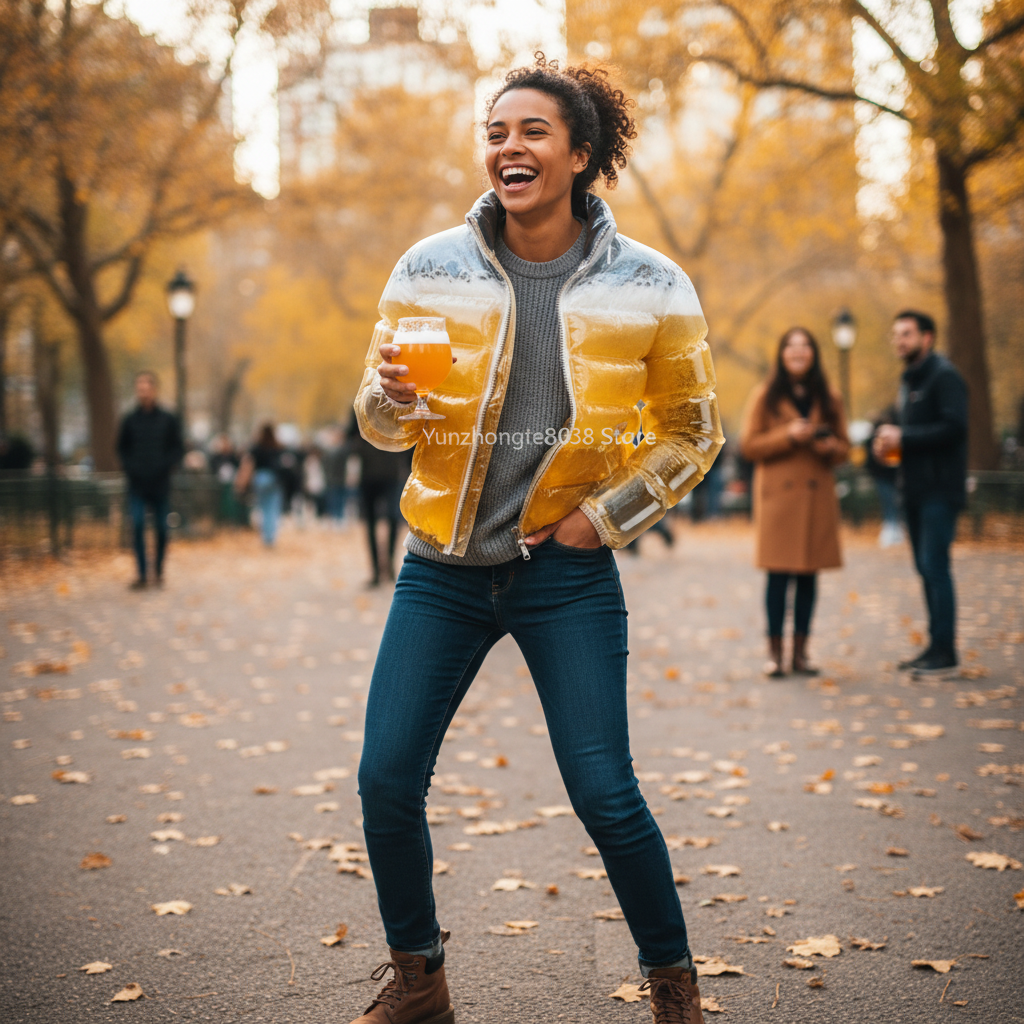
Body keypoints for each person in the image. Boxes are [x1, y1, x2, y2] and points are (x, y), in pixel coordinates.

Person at [351, 55, 723, 1024]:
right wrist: (389, 401)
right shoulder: (427, 267)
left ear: (580, 153)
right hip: (441, 570)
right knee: (385, 778)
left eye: (531, 131)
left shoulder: (652, 284)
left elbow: (693, 431)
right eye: (495, 132)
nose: (507, 148)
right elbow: (377, 420)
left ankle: (673, 984)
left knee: (605, 793)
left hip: (564, 575)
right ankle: (420, 982)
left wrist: (604, 520)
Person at [739, 328, 849, 677]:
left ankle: (801, 654)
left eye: (805, 346)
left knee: (808, 577)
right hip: (779, 501)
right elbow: (749, 446)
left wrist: (826, 445)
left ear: (814, 353)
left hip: (816, 498)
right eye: (791, 346)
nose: (798, 352)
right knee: (777, 576)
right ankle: (775, 655)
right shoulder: (765, 396)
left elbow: (845, 449)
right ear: (782, 353)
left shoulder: (829, 397)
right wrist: (787, 435)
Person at [873, 311, 968, 674]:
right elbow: (912, 438)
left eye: (907, 334)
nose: (899, 340)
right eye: (896, 334)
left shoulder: (945, 376)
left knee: (935, 567)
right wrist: (888, 445)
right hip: (913, 490)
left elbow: (955, 428)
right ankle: (934, 647)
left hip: (939, 491)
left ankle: (945, 652)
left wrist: (904, 436)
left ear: (927, 337)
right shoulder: (909, 380)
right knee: (925, 569)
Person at [116, 371, 183, 589]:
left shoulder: (167, 419)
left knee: (162, 529)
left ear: (154, 390)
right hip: (137, 484)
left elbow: (177, 448)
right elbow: (121, 448)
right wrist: (130, 467)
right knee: (137, 525)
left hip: (160, 484)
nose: (142, 393)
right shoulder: (129, 420)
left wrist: (166, 466)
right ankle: (142, 574)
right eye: (139, 389)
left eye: (146, 389)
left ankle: (159, 570)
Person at [344, 409, 409, 586]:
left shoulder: (394, 402)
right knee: (383, 520)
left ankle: (383, 569)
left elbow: (349, 437)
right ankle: (381, 570)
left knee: (386, 520)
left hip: (383, 471)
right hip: (380, 471)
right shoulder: (364, 403)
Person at [237, 423, 285, 547]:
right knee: (272, 509)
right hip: (274, 479)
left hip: (260, 479)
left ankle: (265, 536)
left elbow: (248, 465)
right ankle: (271, 537)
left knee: (262, 509)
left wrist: (242, 484)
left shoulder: (256, 447)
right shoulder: (278, 447)